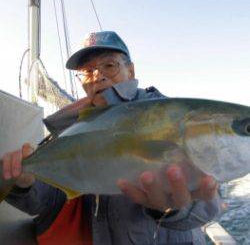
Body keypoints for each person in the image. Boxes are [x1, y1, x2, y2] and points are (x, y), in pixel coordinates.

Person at [2, 31, 222, 245]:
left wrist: (175, 209)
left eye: (109, 65)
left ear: (131, 71)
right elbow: (49, 202)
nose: (98, 76)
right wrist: (23, 184)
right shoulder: (72, 130)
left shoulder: (166, 116)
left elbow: (210, 203)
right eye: (88, 71)